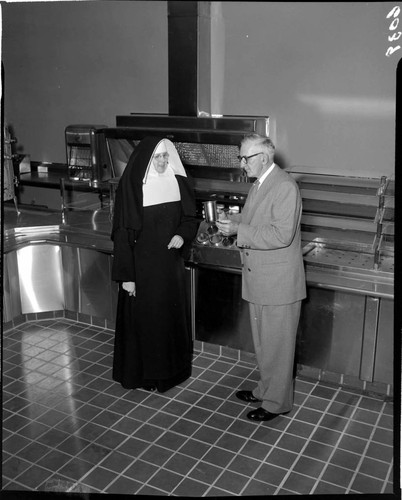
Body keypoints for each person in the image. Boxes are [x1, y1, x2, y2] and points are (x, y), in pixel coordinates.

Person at [216, 133, 306, 422]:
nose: (242, 164)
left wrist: (238, 232)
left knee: (277, 347)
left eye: (246, 158)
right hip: (261, 279)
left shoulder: (284, 187)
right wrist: (234, 221)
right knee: (265, 345)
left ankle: (276, 403)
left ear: (264, 157)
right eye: (241, 158)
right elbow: (255, 219)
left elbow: (281, 234)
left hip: (278, 283)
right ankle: (264, 390)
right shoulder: (260, 184)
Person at [111, 136, 198, 393]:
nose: (162, 161)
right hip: (142, 269)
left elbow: (190, 218)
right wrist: (127, 277)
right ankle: (146, 376)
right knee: (147, 324)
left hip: (170, 268)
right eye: (157, 157)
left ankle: (171, 374)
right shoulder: (133, 187)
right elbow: (123, 235)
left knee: (169, 322)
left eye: (165, 157)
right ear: (146, 160)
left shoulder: (178, 183)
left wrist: (182, 234)